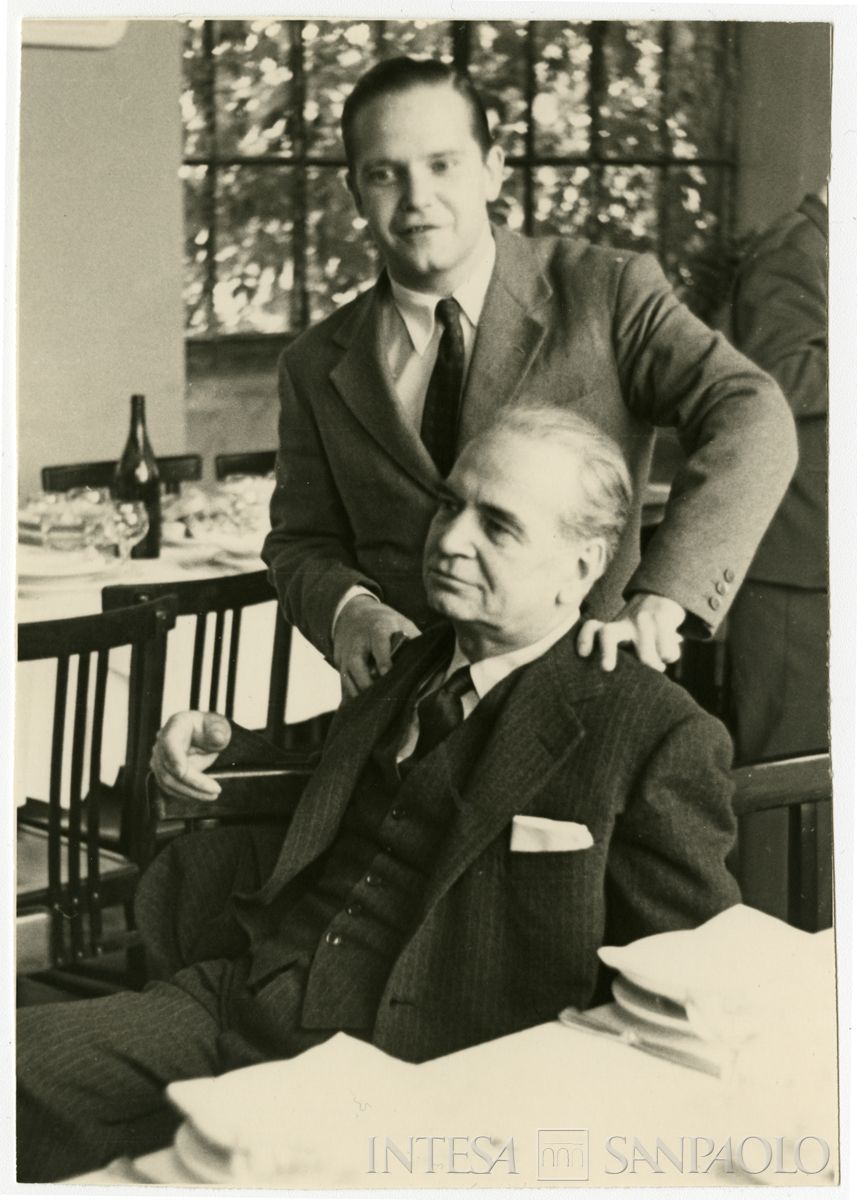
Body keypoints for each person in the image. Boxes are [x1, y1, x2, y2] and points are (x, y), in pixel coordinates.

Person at [17, 408, 741, 1182]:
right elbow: (338, 775)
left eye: (497, 527)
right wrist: (230, 746)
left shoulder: (650, 731)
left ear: (582, 564)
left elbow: (689, 990)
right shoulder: (411, 658)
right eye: (448, 504)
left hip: (410, 1070)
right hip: (244, 993)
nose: (450, 539)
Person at [262, 55, 797, 698]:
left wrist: (663, 596)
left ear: (492, 170)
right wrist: (348, 609)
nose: (417, 199)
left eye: (442, 165)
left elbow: (750, 408)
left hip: (583, 703)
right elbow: (301, 542)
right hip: (403, 725)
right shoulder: (314, 365)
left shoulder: (606, 292)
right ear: (354, 191)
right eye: (384, 174)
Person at [723, 190, 829, 761]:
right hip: (792, 571)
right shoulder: (794, 250)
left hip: (819, 563)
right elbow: (777, 373)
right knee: (786, 774)